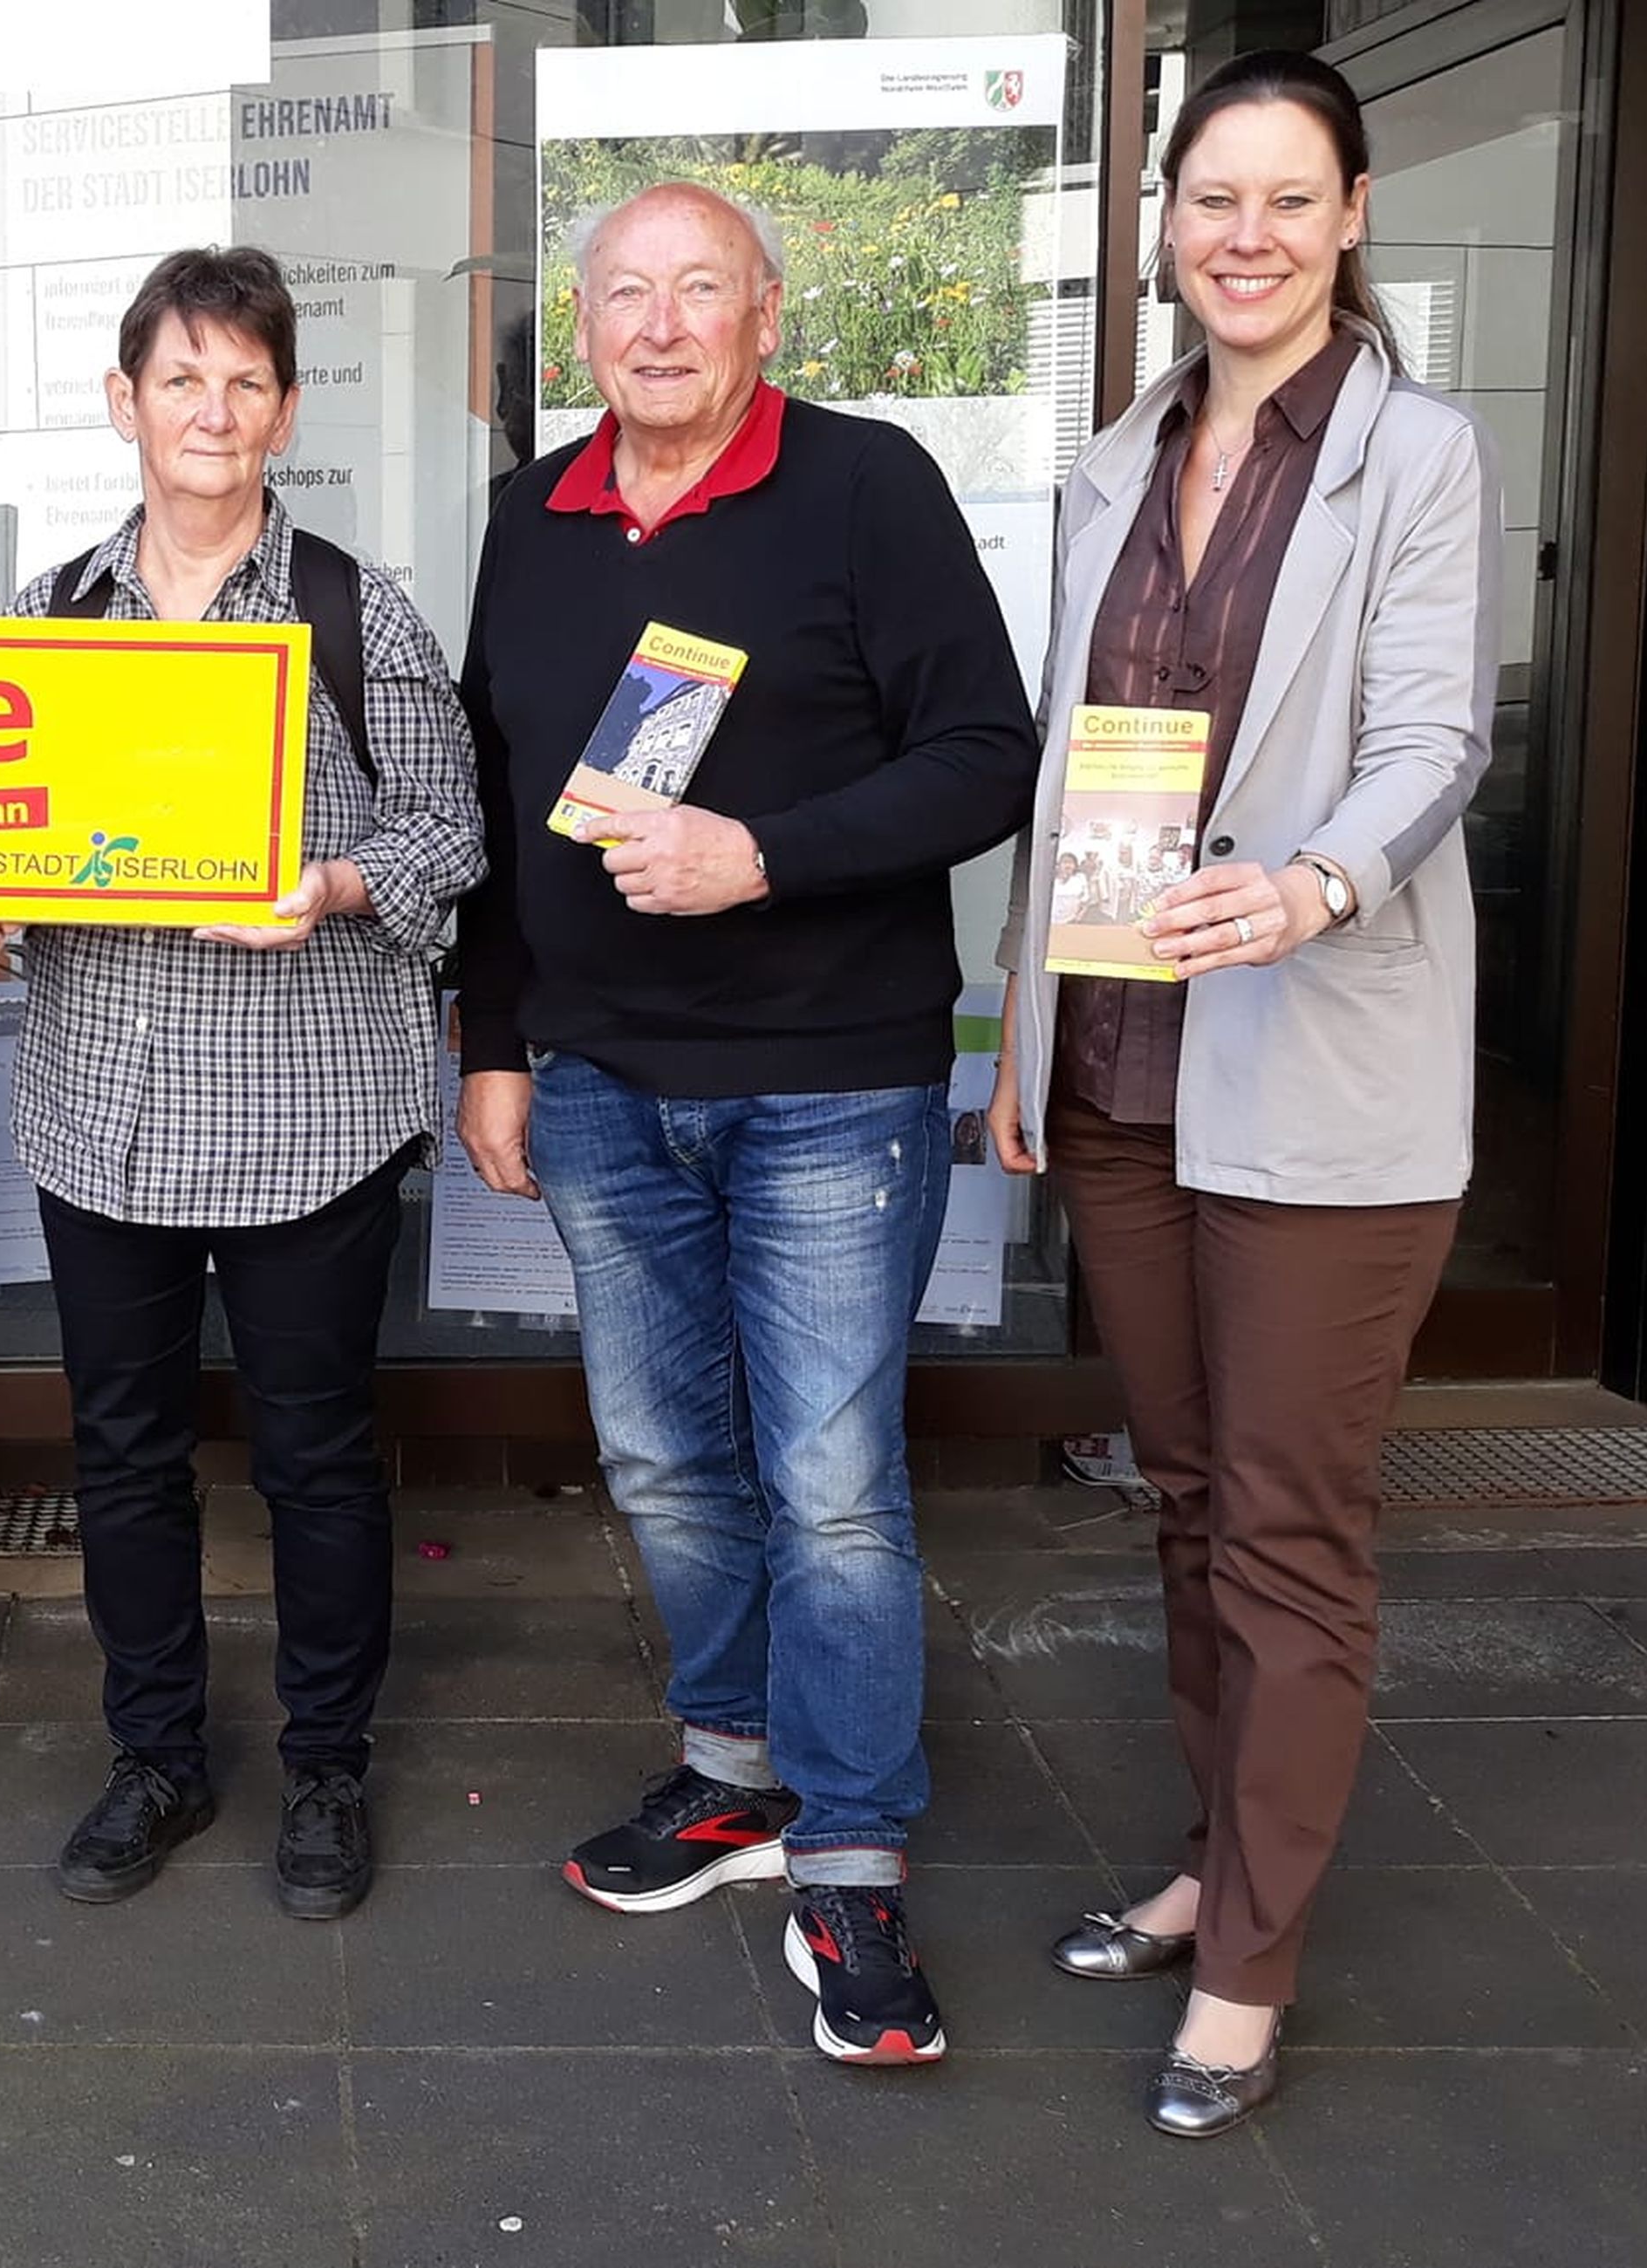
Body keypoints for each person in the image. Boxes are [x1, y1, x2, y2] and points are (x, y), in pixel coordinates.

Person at [454, 180, 1036, 2064]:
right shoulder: (529, 518)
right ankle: (733, 1767)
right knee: (660, 1461)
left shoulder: (865, 488)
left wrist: (760, 854)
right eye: (623, 292)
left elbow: (986, 757)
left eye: (697, 287)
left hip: (827, 1083)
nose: (657, 323)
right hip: (601, 1081)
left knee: (834, 1483)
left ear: (765, 314)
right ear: (581, 326)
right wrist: (494, 1040)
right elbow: (495, 802)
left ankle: (849, 1857)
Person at [989, 51, 1493, 2140]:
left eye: (1288, 198)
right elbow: (1069, 767)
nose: (1246, 236)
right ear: (1164, 224)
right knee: (1189, 1501)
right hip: (1123, 1065)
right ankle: (1214, 1857)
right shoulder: (1110, 465)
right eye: (1212, 198)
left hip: (1317, 1054)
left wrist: (1310, 883)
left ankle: (1251, 1964)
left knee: (1286, 1528)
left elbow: (1434, 737)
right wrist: (1023, 1037)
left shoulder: (1415, 455)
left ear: (1351, 214)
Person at [0, 246, 483, 1923]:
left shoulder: (353, 610)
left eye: (245, 383)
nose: (213, 411)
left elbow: (449, 835)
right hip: (102, 1108)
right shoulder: (51, 621)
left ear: (286, 413)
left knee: (316, 1460)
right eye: (182, 379)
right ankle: (154, 1757)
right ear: (125, 402)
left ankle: (324, 1769)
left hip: (307, 1112)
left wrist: (331, 884)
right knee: (122, 1459)